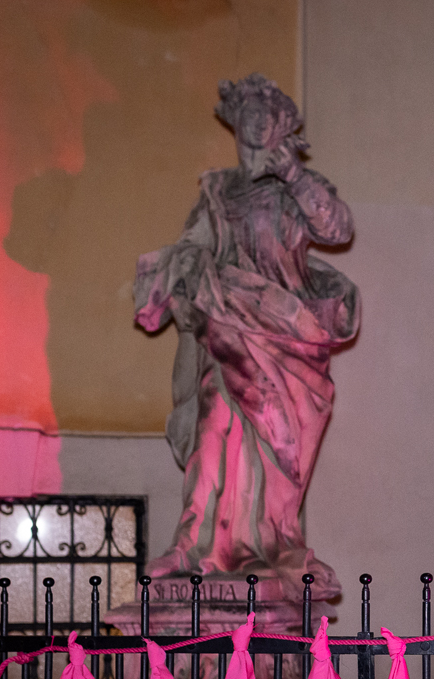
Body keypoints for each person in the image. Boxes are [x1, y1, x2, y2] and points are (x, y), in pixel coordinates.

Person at [134, 74, 357, 603]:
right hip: (228, 329)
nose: (257, 120)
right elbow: (190, 247)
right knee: (213, 424)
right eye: (249, 112)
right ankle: (196, 546)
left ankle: (266, 544)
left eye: (268, 112)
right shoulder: (217, 191)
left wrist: (295, 177)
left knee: (274, 445)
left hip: (286, 336)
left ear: (282, 124)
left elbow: (337, 227)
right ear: (237, 124)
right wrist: (177, 273)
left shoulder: (297, 186)